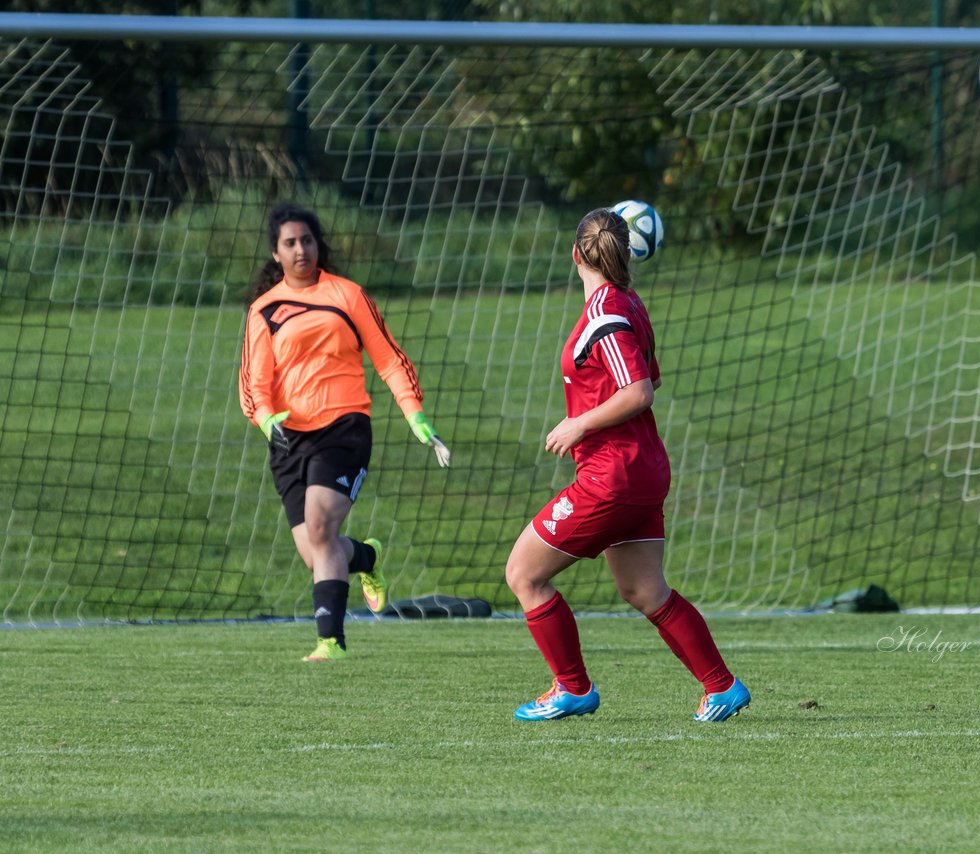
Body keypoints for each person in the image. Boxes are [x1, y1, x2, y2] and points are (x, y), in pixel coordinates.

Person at [504, 208, 750, 721]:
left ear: (576, 254)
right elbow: (648, 380)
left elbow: (638, 392)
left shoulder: (606, 316)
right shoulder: (628, 305)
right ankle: (721, 686)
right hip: (640, 470)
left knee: (524, 574)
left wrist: (580, 424)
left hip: (612, 474)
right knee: (644, 589)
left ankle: (572, 688)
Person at [239, 202, 451, 662]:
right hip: (288, 438)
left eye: (307, 240)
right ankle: (366, 557)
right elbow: (253, 383)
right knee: (316, 551)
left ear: (319, 245)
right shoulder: (264, 309)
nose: (301, 250)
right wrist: (264, 417)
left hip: (344, 426)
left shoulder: (348, 295)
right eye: (290, 243)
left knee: (319, 528)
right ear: (275, 253)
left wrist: (414, 414)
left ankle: (330, 642)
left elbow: (390, 359)